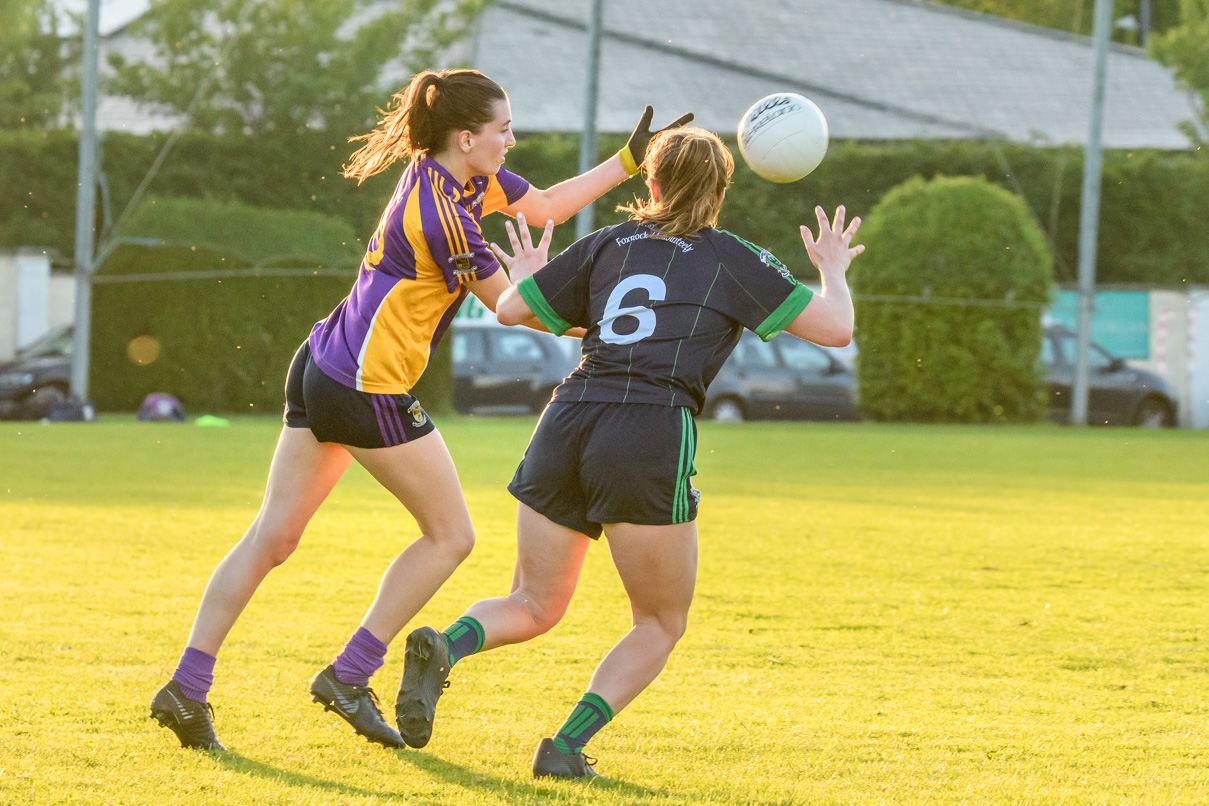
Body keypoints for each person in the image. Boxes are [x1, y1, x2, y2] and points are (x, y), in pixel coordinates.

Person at [148, 67, 691, 752]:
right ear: (467, 137)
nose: (511, 139)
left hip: (319, 364)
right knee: (449, 537)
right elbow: (511, 308)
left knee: (273, 537)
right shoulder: (446, 219)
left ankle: (186, 688)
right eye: (503, 130)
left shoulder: (461, 180)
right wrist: (609, 325)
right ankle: (348, 676)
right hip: (363, 387)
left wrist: (627, 161)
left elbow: (547, 206)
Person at [393, 126, 864, 777]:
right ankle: (563, 748)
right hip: (646, 429)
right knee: (660, 622)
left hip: (568, 416)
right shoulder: (731, 257)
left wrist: (528, 274)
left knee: (532, 603)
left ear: (652, 183)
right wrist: (831, 272)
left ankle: (445, 645)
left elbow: (506, 308)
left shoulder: (607, 243)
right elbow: (836, 329)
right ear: (721, 190)